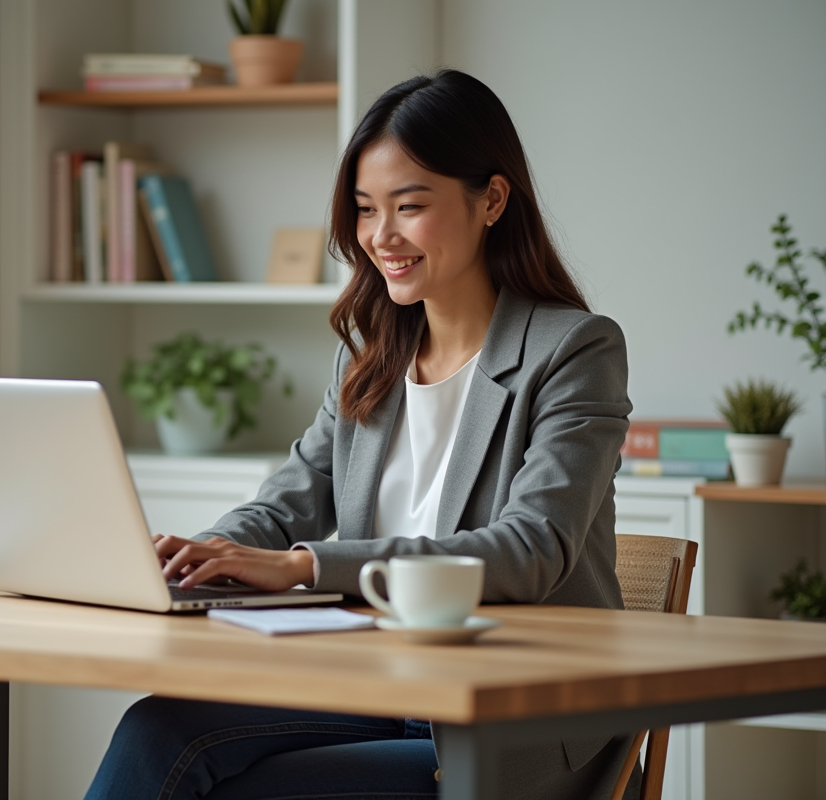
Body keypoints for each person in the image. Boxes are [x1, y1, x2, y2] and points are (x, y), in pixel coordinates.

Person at [86, 70, 638, 800]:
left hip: (508, 721)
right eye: (366, 209)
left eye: (410, 206)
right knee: (156, 731)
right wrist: (203, 561)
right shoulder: (370, 352)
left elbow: (530, 550)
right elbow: (285, 507)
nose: (381, 237)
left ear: (493, 200)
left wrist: (304, 566)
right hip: (374, 686)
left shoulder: (574, 350)